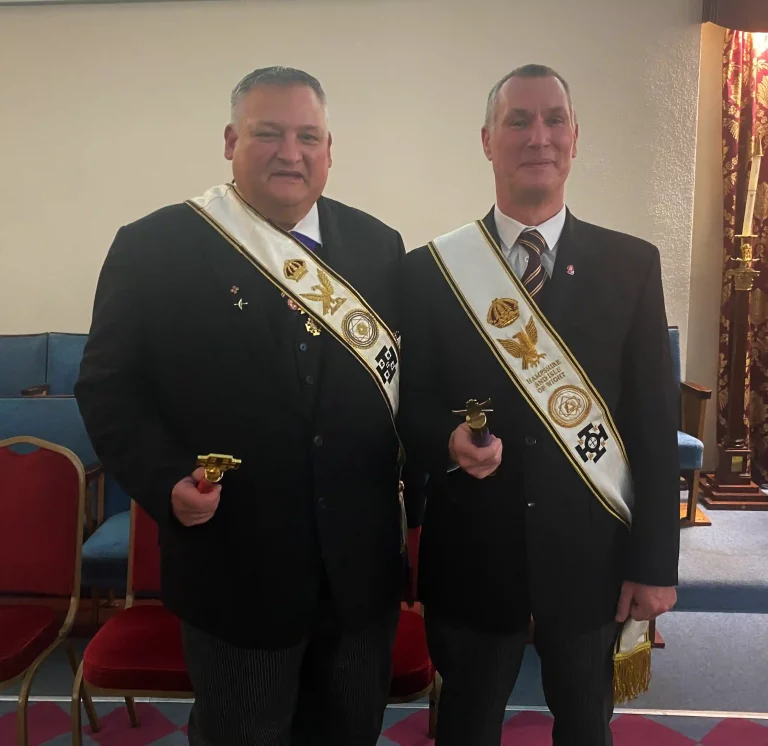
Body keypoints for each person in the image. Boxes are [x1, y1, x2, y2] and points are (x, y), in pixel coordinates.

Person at [75, 66, 415, 746]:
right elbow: (109, 387)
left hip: (359, 577)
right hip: (235, 569)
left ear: (329, 150)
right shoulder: (155, 247)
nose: (291, 152)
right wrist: (166, 479)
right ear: (231, 141)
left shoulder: (379, 248)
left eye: (308, 136)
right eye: (268, 133)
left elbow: (406, 390)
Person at [397, 64, 680, 746]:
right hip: (473, 558)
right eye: (518, 121)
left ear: (575, 137)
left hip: (591, 560)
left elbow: (652, 427)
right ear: (487, 140)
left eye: (554, 120)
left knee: (586, 728)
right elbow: (408, 407)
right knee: (465, 729)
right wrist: (446, 441)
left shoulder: (631, 265)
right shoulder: (429, 271)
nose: (538, 136)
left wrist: (654, 565)